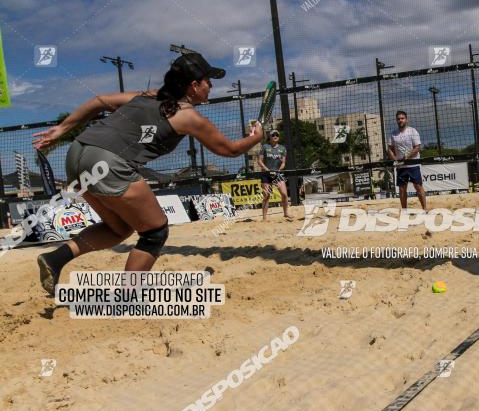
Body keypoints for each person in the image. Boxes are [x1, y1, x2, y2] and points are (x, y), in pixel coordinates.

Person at [32, 52, 265, 295]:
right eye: (208, 81)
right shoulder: (189, 117)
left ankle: (55, 259)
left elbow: (100, 100)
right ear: (194, 86)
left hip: (77, 153)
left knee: (118, 230)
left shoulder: (148, 96)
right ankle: (127, 296)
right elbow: (229, 150)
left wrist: (62, 128)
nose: (212, 86)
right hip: (108, 162)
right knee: (155, 232)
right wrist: (255, 139)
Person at [387, 110, 426, 210]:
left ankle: (425, 209)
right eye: (398, 119)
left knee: (418, 186)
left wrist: (407, 156)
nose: (400, 120)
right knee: (402, 189)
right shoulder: (393, 134)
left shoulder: (413, 131)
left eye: (402, 118)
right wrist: (395, 160)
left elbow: (417, 147)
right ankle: (404, 210)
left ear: (406, 119)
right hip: (401, 166)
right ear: (396, 120)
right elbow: (390, 149)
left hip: (413, 164)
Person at [258, 130, 294, 221]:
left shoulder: (282, 148)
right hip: (266, 174)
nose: (275, 136)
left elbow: (283, 163)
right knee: (266, 195)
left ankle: (286, 213)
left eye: (277, 134)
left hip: (278, 174)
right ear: (269, 137)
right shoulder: (265, 147)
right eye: (273, 135)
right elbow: (259, 161)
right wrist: (267, 170)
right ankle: (264, 218)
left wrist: (279, 170)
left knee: (284, 194)